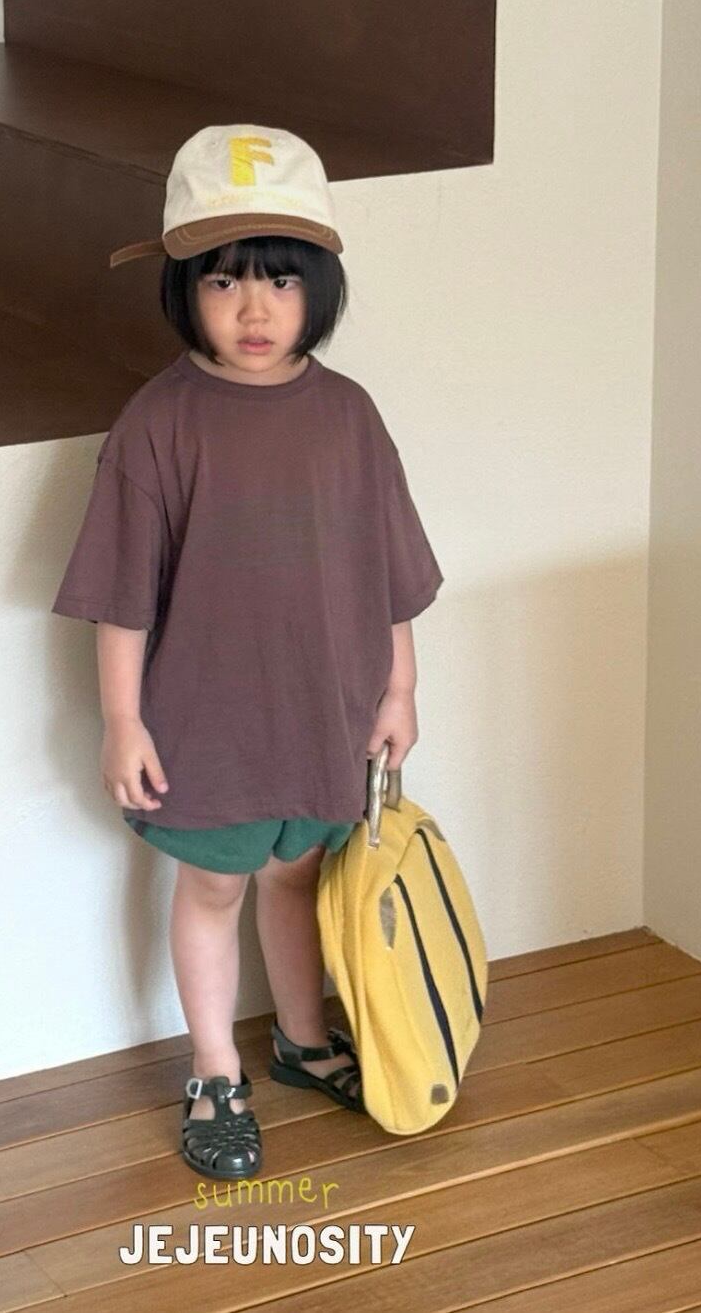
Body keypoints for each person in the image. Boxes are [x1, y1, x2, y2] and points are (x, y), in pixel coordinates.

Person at [51, 124, 443, 1179]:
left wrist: (400, 688)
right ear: (185, 289)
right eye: (224, 280)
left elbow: (390, 570)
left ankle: (303, 1043)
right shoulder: (159, 425)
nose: (254, 310)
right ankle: (216, 1070)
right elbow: (122, 597)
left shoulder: (349, 417)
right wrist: (122, 719)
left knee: (297, 879)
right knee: (215, 889)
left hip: (325, 711)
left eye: (280, 279)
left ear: (321, 287)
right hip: (207, 724)